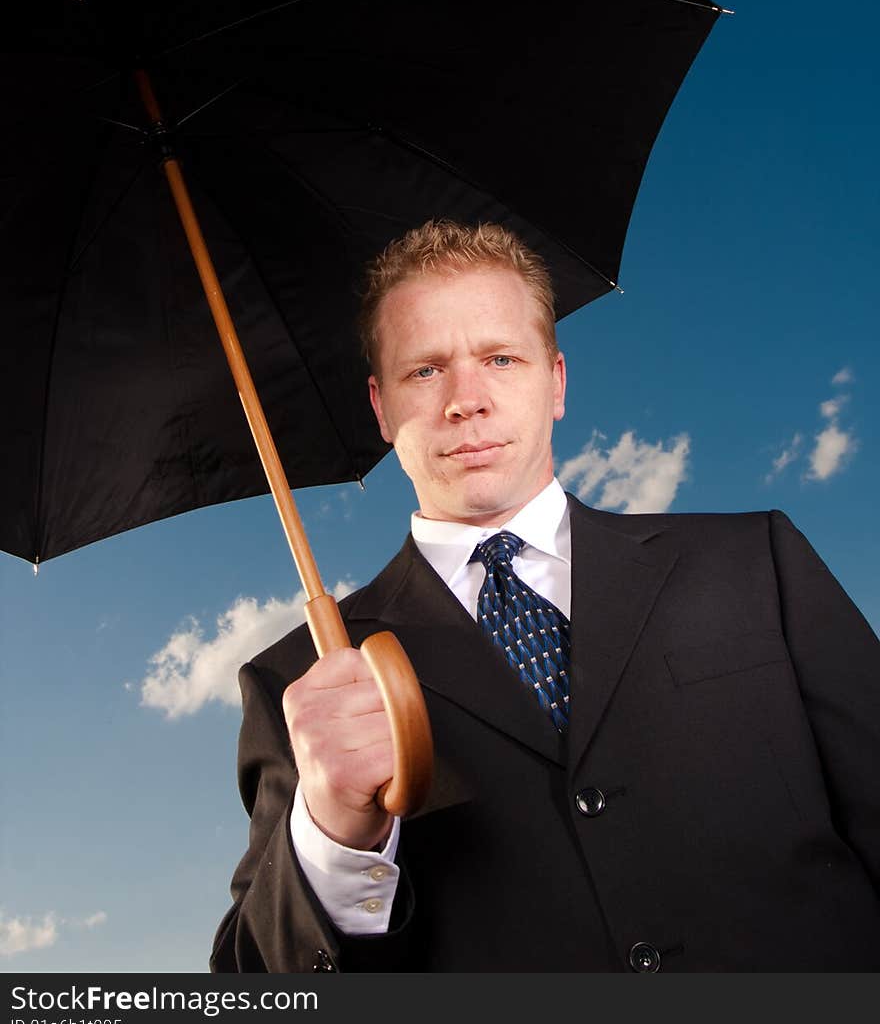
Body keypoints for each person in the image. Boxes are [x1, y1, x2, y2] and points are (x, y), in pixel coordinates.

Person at [211, 220, 880, 973]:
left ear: (556, 381)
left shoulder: (755, 561)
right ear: (381, 408)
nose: (467, 400)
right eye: (425, 371)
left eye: (501, 357)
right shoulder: (302, 683)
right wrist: (331, 830)